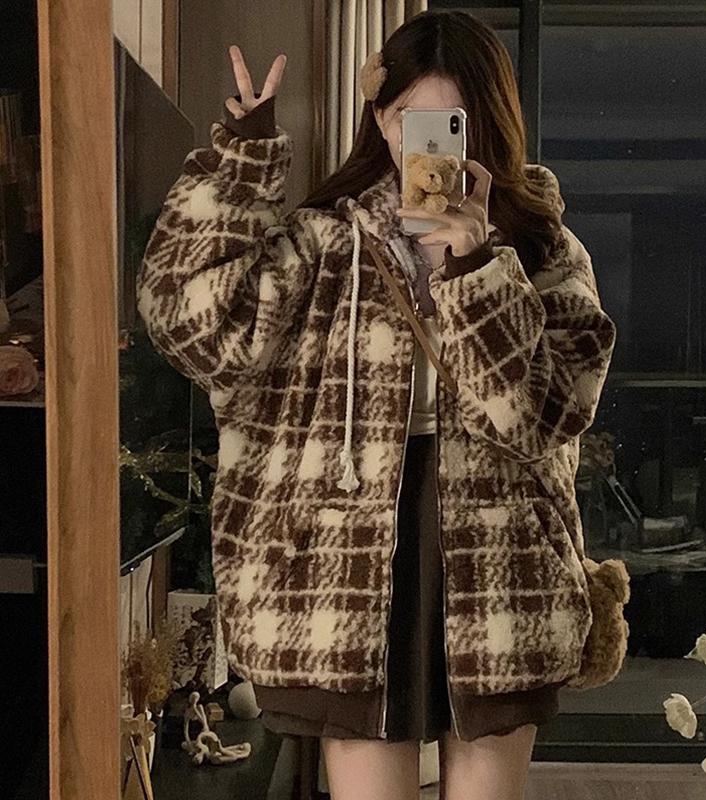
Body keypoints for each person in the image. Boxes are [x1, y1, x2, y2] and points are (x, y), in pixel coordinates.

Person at [136, 9, 618, 800]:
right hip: (340, 555)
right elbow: (190, 326)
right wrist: (243, 165)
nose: (426, 146)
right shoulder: (323, 242)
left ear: (488, 124)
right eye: (408, 120)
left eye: (451, 122)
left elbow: (541, 418)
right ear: (382, 120)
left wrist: (474, 267)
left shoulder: (542, 250)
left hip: (503, 560)